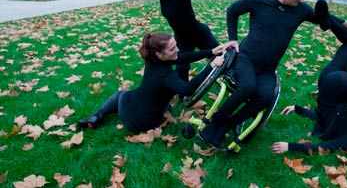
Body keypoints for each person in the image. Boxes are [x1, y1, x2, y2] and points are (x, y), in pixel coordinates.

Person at [200, 0, 347, 148]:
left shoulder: (300, 10)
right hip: (246, 58)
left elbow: (324, 17)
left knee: (266, 96)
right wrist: (232, 39)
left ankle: (226, 127)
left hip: (267, 69)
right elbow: (232, 11)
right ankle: (215, 122)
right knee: (247, 87)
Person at [78, 32, 236, 133]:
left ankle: (97, 116)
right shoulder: (166, 76)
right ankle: (99, 115)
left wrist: (211, 52)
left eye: (176, 47)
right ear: (160, 54)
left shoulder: (152, 61)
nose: (177, 51)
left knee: (124, 95)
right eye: (172, 49)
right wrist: (211, 65)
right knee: (123, 94)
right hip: (147, 121)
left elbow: (182, 57)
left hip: (140, 116)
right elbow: (187, 90)